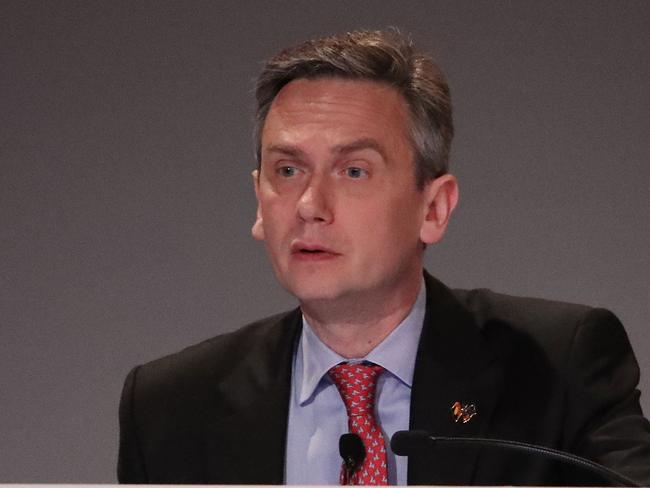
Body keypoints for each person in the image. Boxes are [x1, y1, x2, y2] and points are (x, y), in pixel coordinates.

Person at [117, 29, 650, 485]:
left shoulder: (558, 367)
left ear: (434, 208)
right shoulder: (169, 409)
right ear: (259, 201)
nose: (309, 206)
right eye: (287, 171)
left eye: (353, 171)